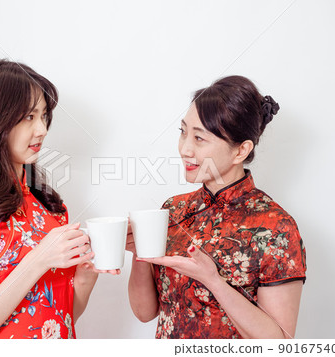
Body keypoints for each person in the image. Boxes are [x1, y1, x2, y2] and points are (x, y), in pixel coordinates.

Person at [0, 59, 116, 339]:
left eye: (44, 116)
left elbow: (61, 317)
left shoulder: (49, 208)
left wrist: (86, 277)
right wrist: (38, 260)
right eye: (28, 117)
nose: (43, 130)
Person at [127, 75, 306, 339]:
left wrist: (213, 281)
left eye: (199, 139)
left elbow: (279, 344)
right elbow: (145, 312)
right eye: (183, 132)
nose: (185, 149)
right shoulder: (172, 212)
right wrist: (140, 254)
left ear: (240, 151)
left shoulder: (276, 227)